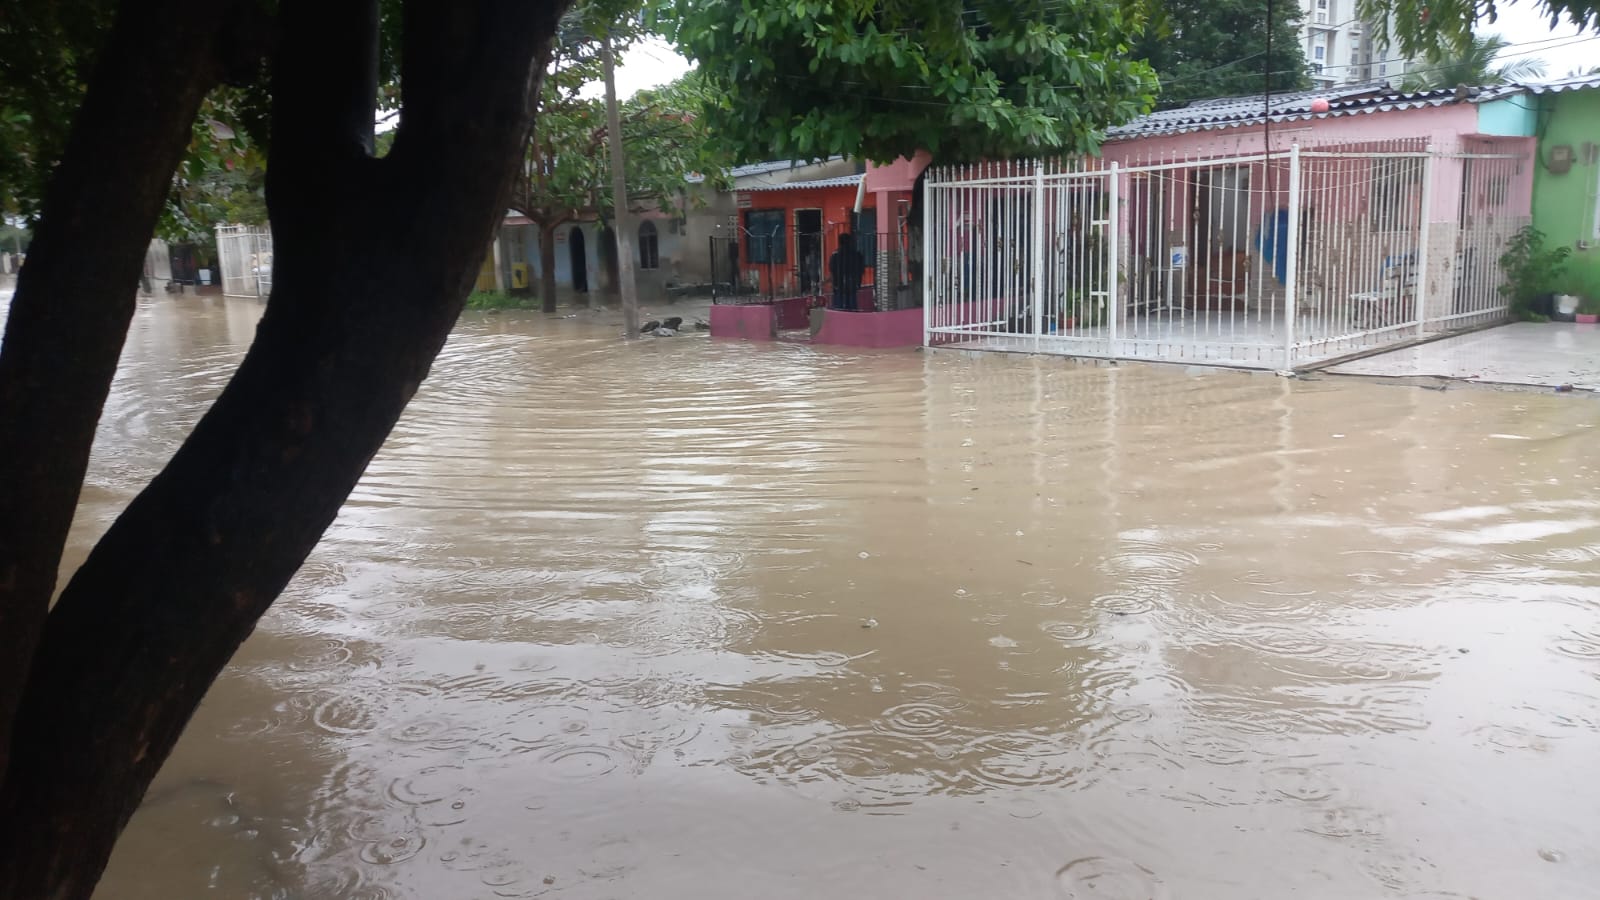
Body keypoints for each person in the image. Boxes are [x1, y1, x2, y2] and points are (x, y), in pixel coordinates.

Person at [829, 232, 865, 311]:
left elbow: (831, 269)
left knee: (839, 307)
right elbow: (861, 269)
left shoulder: (835, 254)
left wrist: (834, 282)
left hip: (838, 283)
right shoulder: (857, 254)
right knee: (852, 305)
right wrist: (858, 282)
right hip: (853, 282)